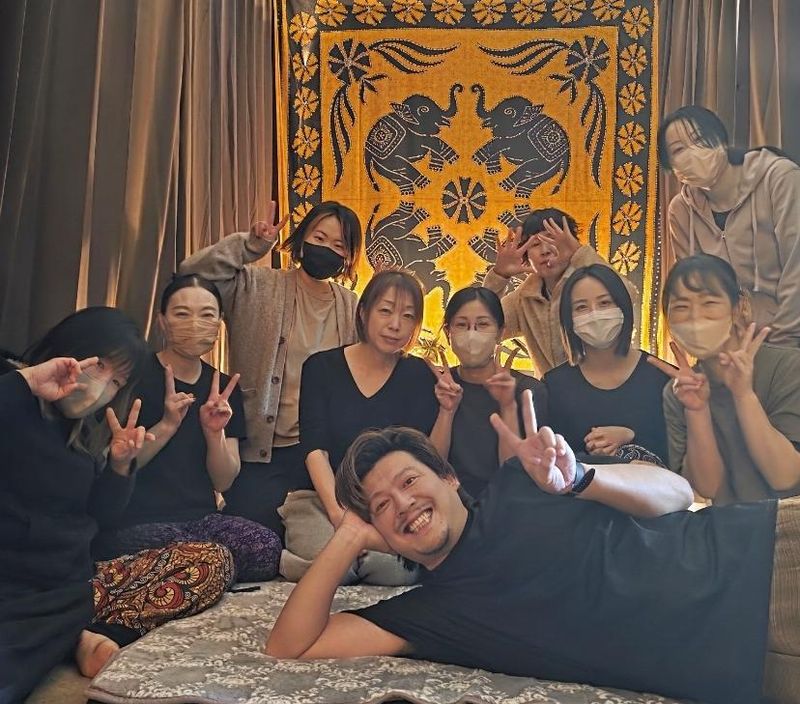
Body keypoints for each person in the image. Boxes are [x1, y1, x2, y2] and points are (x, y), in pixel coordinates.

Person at [265, 390, 800, 704]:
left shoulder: (525, 481)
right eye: (382, 505)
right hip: (750, 665)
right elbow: (289, 646)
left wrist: (581, 478)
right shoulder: (425, 616)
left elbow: (679, 494)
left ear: (449, 477)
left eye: (409, 481)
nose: (403, 504)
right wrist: (350, 533)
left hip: (760, 554)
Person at [0, 308, 234, 703]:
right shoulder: (12, 388)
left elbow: (99, 516)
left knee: (211, 561)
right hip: (16, 582)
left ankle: (74, 631)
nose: (101, 386)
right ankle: (71, 635)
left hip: (72, 584)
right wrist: (26, 384)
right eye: (100, 366)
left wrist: (120, 467)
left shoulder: (86, 429)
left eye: (117, 381)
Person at [178, 200, 363, 536]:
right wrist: (249, 247)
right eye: (319, 238)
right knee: (254, 541)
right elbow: (192, 273)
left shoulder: (351, 307)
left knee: (327, 543)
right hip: (261, 454)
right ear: (302, 238)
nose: (327, 249)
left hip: (324, 457)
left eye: (339, 245)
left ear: (349, 257)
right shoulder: (256, 286)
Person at [93, 275, 281, 581]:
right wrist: (167, 424)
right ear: (162, 321)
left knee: (266, 547)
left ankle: (189, 575)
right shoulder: (132, 377)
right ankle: (197, 574)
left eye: (206, 314)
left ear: (219, 323)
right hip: (136, 520)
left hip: (200, 520)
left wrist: (214, 432)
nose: (195, 324)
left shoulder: (222, 388)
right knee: (203, 557)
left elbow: (223, 480)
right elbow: (114, 464)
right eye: (182, 313)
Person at [278, 269, 439, 585]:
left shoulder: (418, 374)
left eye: (408, 316)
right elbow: (314, 449)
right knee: (329, 567)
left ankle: (363, 555)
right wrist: (340, 517)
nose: (395, 324)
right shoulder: (321, 367)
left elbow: (420, 456)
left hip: (388, 502)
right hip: (320, 498)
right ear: (363, 313)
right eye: (386, 310)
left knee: (395, 571)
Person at [651, 253, 800, 504]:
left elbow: (785, 477)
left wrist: (744, 395)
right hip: (727, 523)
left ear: (738, 307)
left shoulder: (787, 366)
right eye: (681, 307)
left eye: (709, 303)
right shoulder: (679, 391)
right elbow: (708, 488)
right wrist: (696, 410)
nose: (695, 317)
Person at [659, 105, 800, 346]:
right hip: (731, 347)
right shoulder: (681, 211)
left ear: (721, 140)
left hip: (789, 340)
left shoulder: (779, 178)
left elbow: (796, 267)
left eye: (700, 139)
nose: (693, 152)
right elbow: (695, 289)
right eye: (679, 149)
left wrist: (783, 343)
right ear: (671, 167)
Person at [481, 208, 640, 375]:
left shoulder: (590, 283)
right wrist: (499, 275)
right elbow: (484, 329)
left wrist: (579, 253)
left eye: (551, 239)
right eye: (535, 244)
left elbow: (627, 295)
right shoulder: (524, 298)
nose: (545, 250)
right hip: (550, 390)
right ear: (526, 254)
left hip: (605, 384)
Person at [426, 285, 548, 498]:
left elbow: (513, 478)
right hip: (452, 505)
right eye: (462, 325)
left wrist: (507, 406)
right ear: (447, 332)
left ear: (500, 333)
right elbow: (431, 472)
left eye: (482, 324)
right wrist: (447, 410)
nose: (471, 334)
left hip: (510, 505)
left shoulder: (529, 391)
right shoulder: (438, 387)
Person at [544, 265, 671, 462]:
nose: (595, 314)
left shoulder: (662, 376)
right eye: (581, 307)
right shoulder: (554, 385)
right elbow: (550, 459)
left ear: (624, 307)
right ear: (568, 319)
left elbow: (680, 455)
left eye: (605, 303)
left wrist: (631, 436)